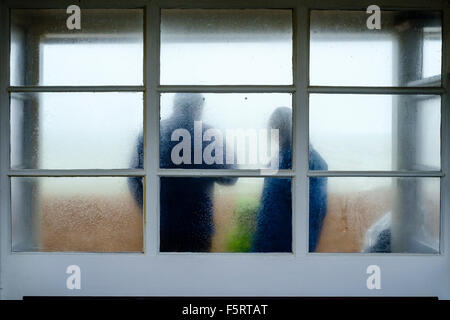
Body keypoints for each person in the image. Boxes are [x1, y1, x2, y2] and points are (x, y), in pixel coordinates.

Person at [129, 93, 237, 252]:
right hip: (199, 227)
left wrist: (150, 209)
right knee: (198, 275)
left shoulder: (154, 132)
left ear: (175, 105)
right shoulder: (210, 135)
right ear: (198, 107)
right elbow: (230, 177)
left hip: (162, 224)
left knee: (162, 274)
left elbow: (133, 178)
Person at [251, 107, 328, 252]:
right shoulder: (318, 162)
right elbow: (319, 211)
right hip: (304, 245)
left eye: (274, 131)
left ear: (280, 131)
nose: (273, 137)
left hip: (277, 248)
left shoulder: (281, 162)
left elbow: (270, 216)